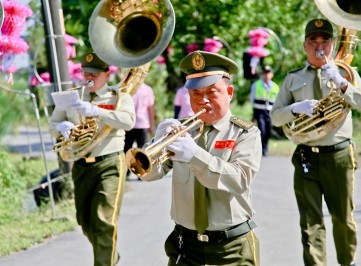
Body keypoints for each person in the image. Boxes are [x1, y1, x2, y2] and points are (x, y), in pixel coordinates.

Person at [139, 50, 262, 265]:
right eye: (196, 94)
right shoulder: (182, 131)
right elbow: (148, 174)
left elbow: (240, 179)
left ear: (230, 92)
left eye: (212, 92)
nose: (203, 100)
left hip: (231, 247)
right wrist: (154, 144)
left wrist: (194, 155)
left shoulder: (245, 133)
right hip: (186, 245)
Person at [270, 19, 361, 266]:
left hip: (339, 155)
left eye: (324, 41)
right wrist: (295, 108)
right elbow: (275, 117)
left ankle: (348, 262)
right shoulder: (293, 79)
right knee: (310, 221)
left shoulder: (347, 73)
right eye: (313, 41)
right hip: (306, 154)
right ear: (305, 45)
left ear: (332, 43)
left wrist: (342, 83)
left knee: (343, 218)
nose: (319, 46)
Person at [49, 51, 135, 266]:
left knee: (104, 221)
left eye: (95, 74)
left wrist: (97, 111)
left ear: (107, 74)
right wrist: (61, 127)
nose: (89, 77)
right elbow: (53, 124)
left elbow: (128, 121)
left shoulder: (118, 97)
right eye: (86, 73)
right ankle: (110, 255)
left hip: (109, 163)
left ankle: (104, 261)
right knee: (85, 221)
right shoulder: (71, 96)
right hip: (80, 164)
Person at [250, 65, 279, 156]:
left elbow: (277, 101)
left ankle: (265, 147)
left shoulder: (275, 87)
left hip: (269, 112)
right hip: (259, 111)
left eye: (268, 73)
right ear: (262, 74)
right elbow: (252, 98)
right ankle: (261, 149)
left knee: (268, 130)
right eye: (264, 73)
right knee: (262, 129)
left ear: (272, 74)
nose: (266, 75)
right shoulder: (256, 84)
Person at [124, 83, 155, 155]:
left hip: (140, 124)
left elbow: (150, 109)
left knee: (140, 151)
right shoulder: (129, 88)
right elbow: (150, 109)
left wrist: (151, 124)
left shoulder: (148, 90)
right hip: (132, 124)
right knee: (130, 150)